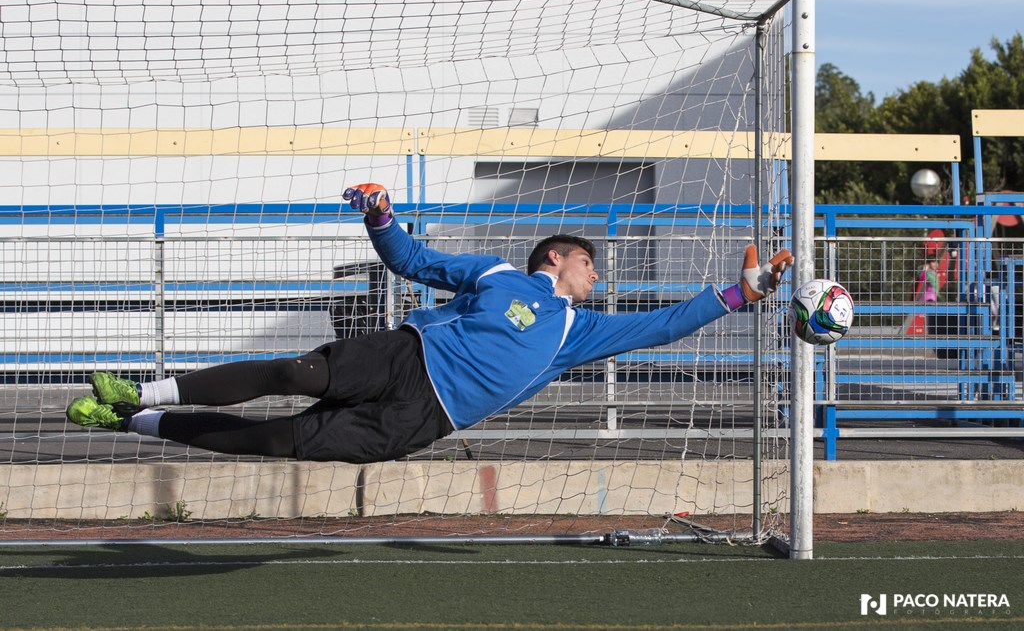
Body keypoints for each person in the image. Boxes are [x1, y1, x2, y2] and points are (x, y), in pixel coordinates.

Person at [66, 182, 794, 464]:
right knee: (294, 370)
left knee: (272, 439)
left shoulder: (579, 331)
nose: (597, 277)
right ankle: (146, 387)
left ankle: (128, 420)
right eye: (589, 265)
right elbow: (411, 258)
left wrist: (739, 294)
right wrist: (380, 218)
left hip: (423, 419)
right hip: (404, 357)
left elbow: (663, 325)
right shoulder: (499, 274)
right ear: (559, 258)